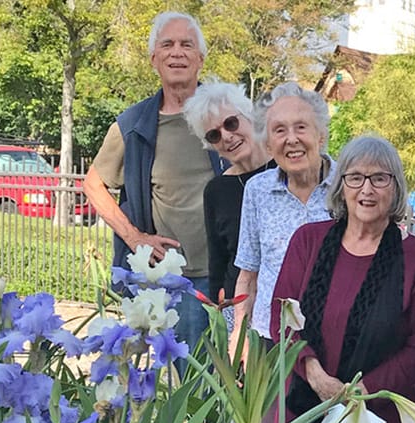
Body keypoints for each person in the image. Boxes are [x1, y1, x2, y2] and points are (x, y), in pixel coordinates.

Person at [270, 135, 415, 423]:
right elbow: (282, 318)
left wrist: (359, 391)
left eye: (379, 178)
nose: (366, 189)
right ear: (340, 186)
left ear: (396, 188)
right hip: (305, 416)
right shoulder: (308, 241)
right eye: (355, 178)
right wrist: (316, 375)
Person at [84, 11, 224, 352]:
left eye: (186, 45)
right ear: (154, 59)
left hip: (225, 278)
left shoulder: (226, 115)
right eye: (168, 44)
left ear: (200, 58)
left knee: (225, 384)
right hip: (169, 278)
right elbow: (93, 183)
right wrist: (135, 238)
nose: (177, 52)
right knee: (179, 388)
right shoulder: (134, 124)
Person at [234, 82, 334, 345]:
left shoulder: (348, 185)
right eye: (279, 130)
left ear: (320, 135)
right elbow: (248, 274)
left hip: (333, 339)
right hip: (271, 339)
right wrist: (239, 337)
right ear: (268, 146)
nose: (291, 139)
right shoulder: (258, 191)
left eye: (301, 127)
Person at [181, 82, 274, 314]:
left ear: (250, 117)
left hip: (287, 302)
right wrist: (218, 315)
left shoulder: (286, 169)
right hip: (239, 307)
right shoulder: (217, 190)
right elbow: (218, 261)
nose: (227, 136)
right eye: (214, 135)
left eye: (231, 123)